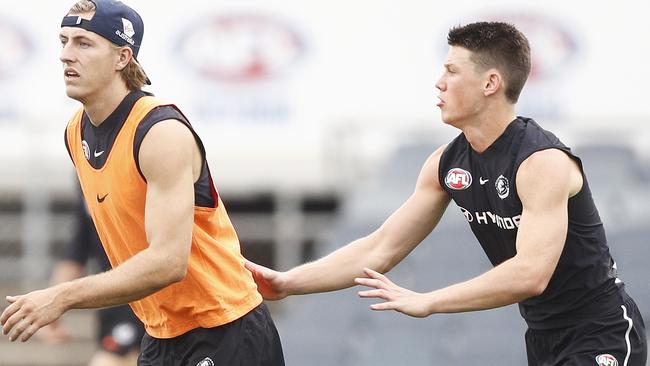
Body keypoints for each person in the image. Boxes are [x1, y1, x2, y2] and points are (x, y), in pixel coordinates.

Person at [245, 22, 648, 365]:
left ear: (491, 83)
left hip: (602, 331)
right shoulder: (446, 165)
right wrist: (288, 282)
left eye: (452, 71)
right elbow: (379, 248)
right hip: (543, 337)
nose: (439, 82)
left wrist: (429, 301)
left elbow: (531, 274)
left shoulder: (541, 162)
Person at [1, 1, 284, 365]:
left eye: (84, 43)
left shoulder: (159, 132)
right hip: (159, 331)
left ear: (122, 57)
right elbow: (95, 230)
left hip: (223, 325)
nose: (65, 55)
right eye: (63, 41)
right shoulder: (76, 132)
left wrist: (62, 296)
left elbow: (168, 262)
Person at [39, 187, 144, 366]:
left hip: (151, 292)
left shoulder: (138, 164)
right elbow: (77, 250)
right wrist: (52, 305)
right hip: (116, 302)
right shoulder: (85, 171)